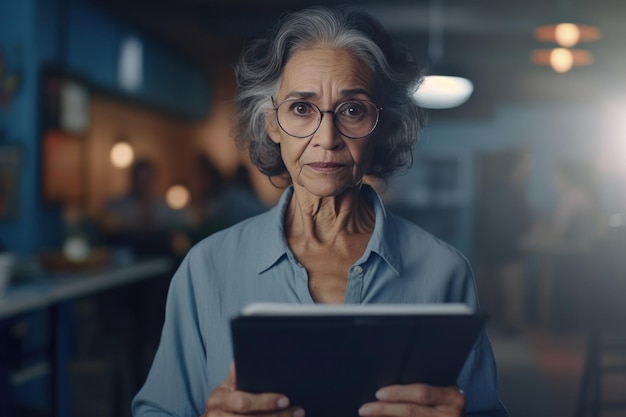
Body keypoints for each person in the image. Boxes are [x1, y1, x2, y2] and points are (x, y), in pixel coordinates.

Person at [133, 6, 508, 417]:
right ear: (271, 123)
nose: (326, 138)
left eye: (352, 110)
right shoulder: (207, 267)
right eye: (300, 108)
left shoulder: (443, 271)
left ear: (382, 127)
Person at [474, 150, 534, 334]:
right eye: (526, 165)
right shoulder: (507, 192)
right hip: (506, 253)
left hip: (492, 252)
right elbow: (506, 225)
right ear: (515, 167)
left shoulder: (498, 190)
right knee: (511, 312)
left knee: (490, 307)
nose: (530, 170)